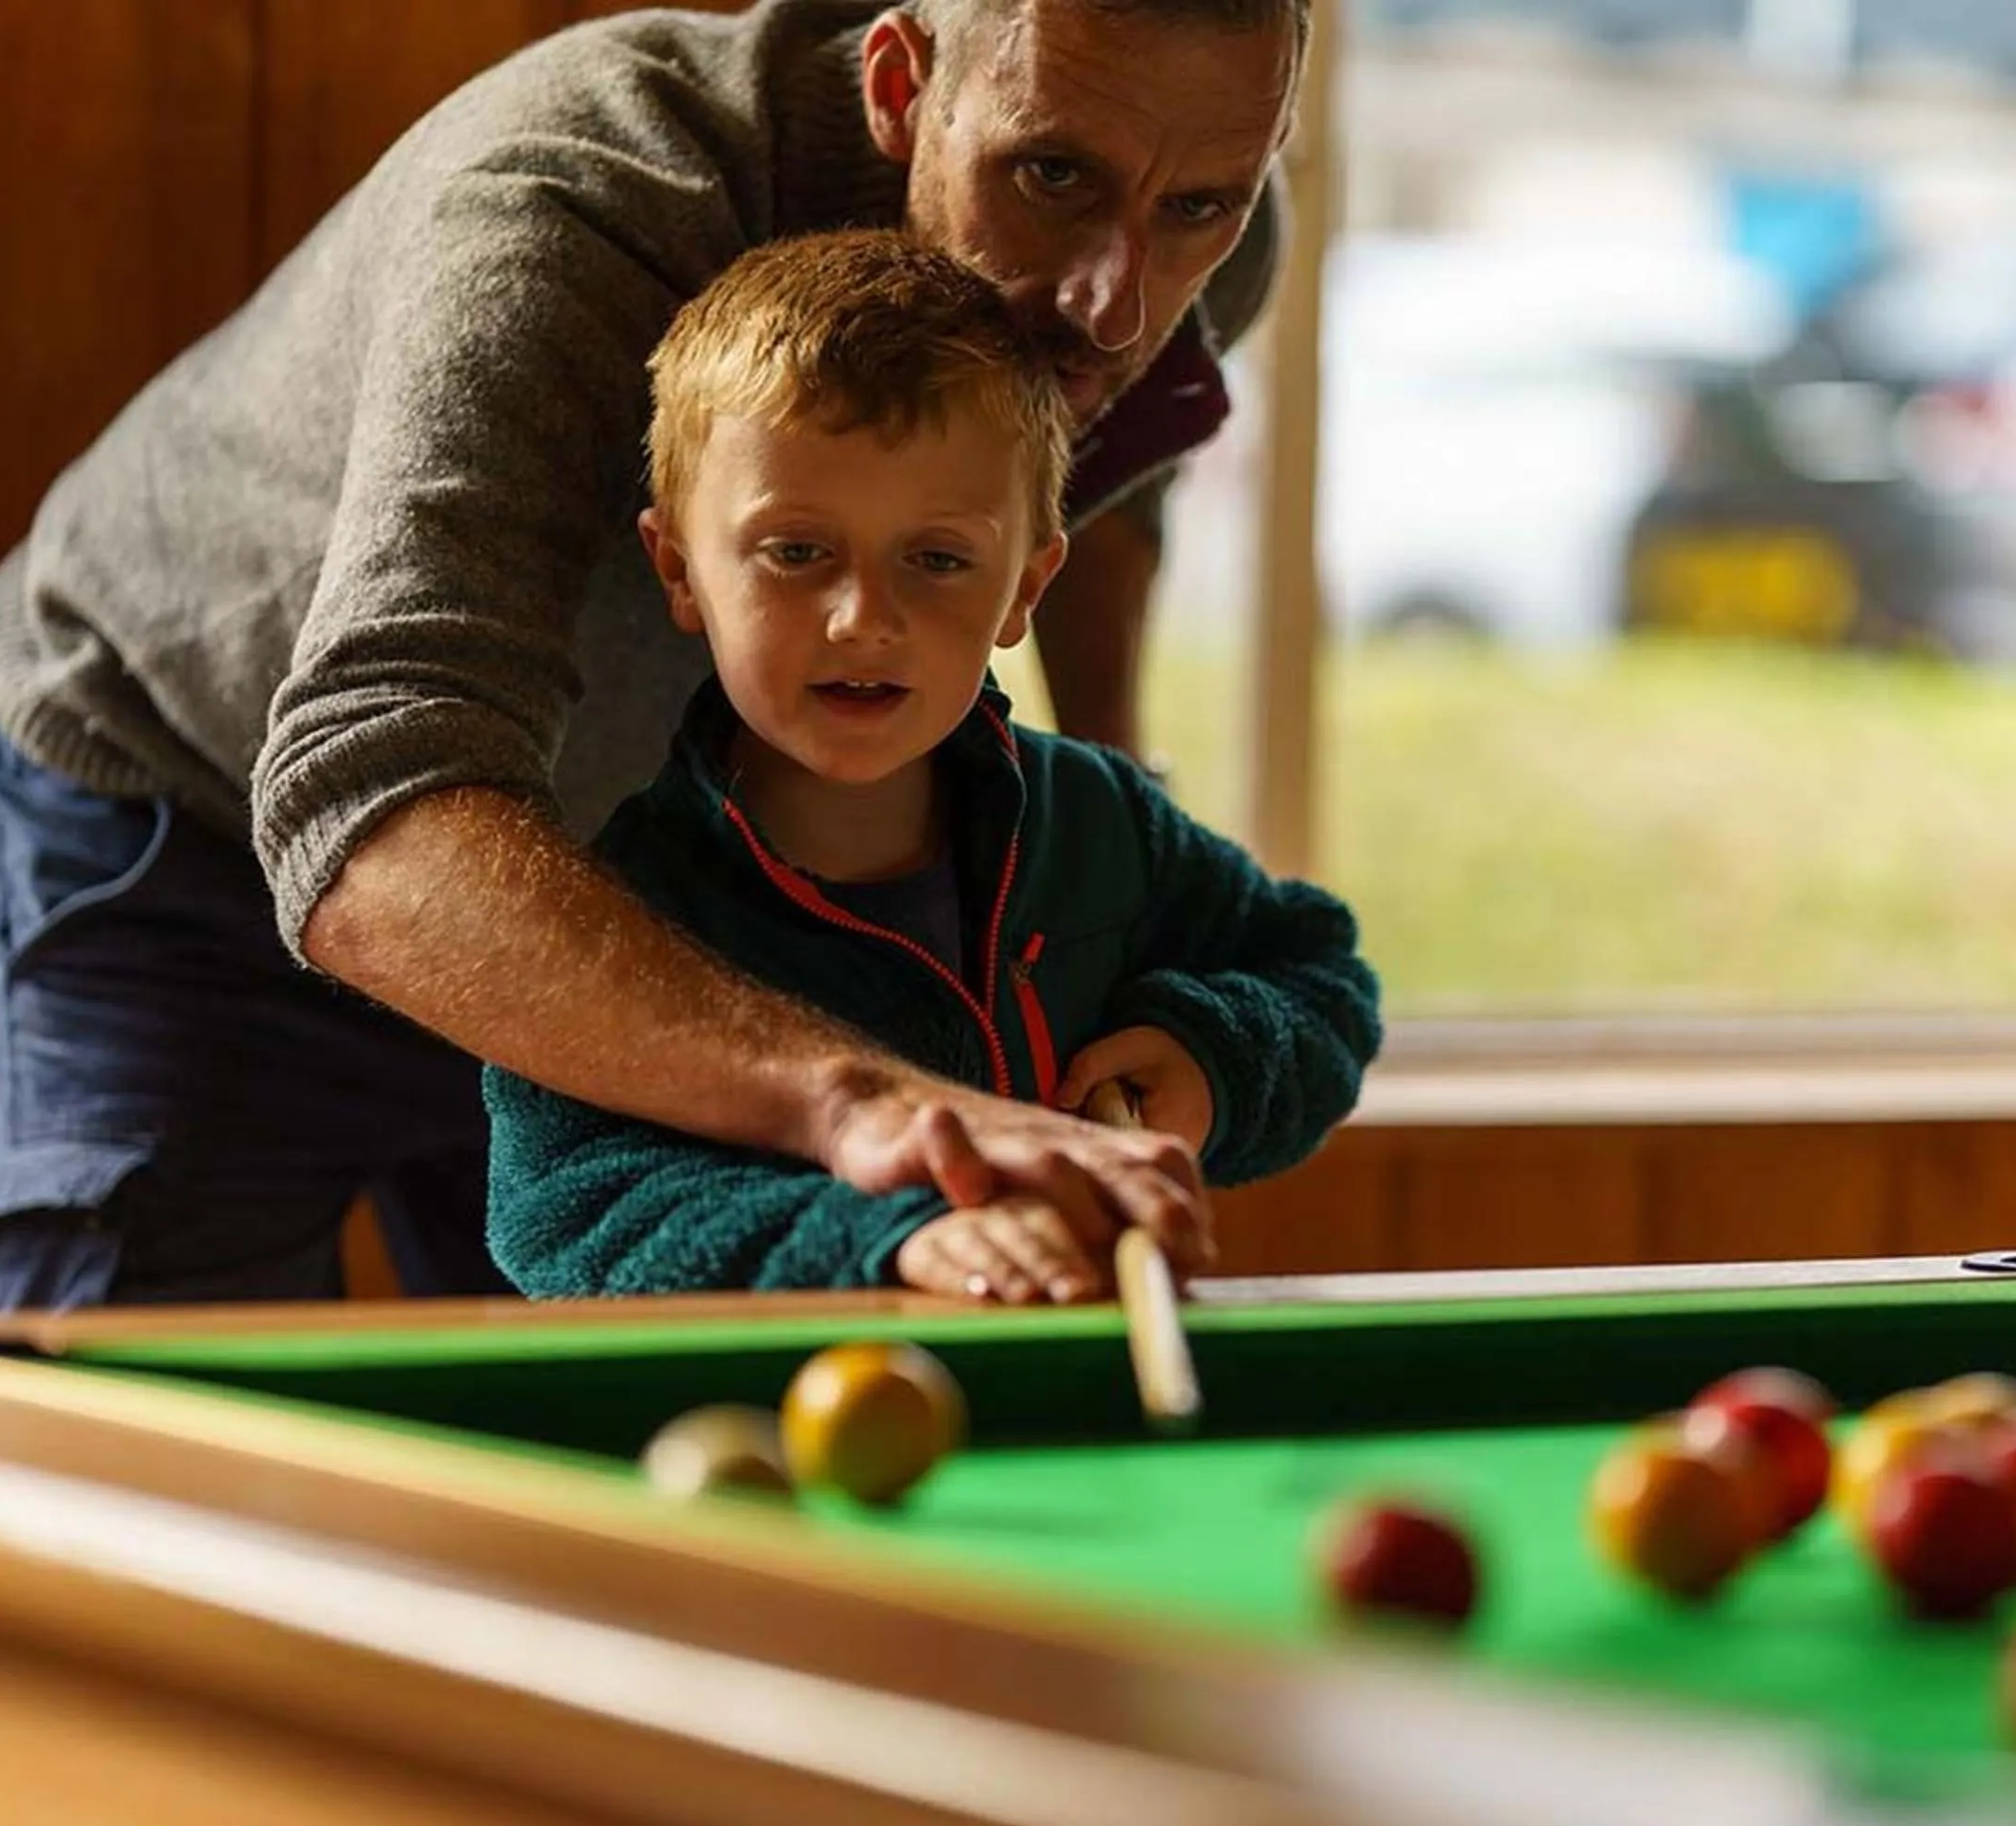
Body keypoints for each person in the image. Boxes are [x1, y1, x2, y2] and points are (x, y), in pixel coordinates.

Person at [0, 0, 1307, 1310]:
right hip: (197, 808)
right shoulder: (574, 206)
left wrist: (1111, 817)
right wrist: (858, 1097)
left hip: (621, 869)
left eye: (1197, 205)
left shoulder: (1195, 238)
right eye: (1050, 176)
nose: (1116, 303)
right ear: (902, 85)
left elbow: (1074, 485)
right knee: (155, 1446)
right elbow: (369, 803)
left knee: (617, 1438)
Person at [485, 230, 1376, 1299]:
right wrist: (889, 1237)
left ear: (1024, 587)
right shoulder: (619, 908)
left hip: (1072, 1391)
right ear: (679, 568)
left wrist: (1213, 1060)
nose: (865, 618)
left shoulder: (1099, 823)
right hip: (776, 1407)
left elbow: (1323, 978)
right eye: (797, 551)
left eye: (939, 559)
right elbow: (566, 1212)